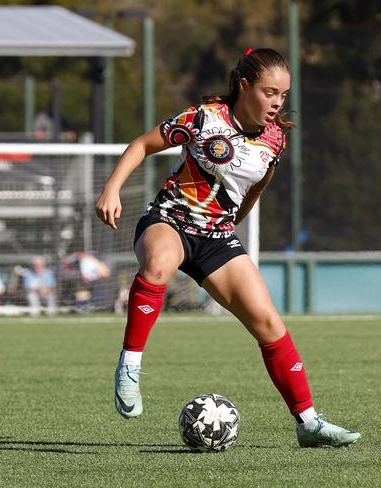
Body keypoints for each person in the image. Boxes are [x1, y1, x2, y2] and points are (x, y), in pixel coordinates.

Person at [95, 48, 360, 448]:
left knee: (269, 324)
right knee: (159, 265)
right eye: (269, 92)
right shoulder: (202, 118)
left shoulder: (275, 140)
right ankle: (130, 365)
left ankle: (308, 422)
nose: (276, 103)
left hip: (217, 238)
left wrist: (234, 220)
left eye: (283, 96)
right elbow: (141, 145)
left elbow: (257, 186)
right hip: (171, 220)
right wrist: (112, 189)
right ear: (244, 86)